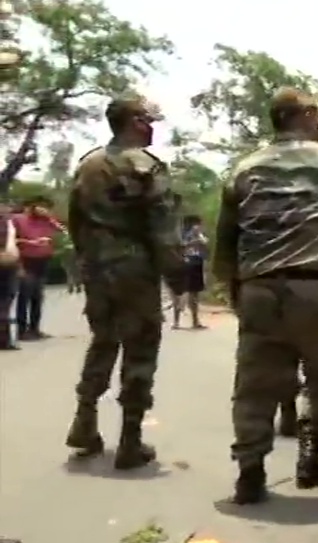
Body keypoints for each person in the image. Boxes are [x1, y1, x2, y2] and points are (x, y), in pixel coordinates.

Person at [213, 87, 318, 505]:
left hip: (259, 288)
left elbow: (226, 240)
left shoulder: (244, 168)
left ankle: (250, 472)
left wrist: (237, 292)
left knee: (255, 385)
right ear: (308, 116)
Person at [64, 96, 183, 470]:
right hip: (134, 269)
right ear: (133, 122)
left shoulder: (88, 164)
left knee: (102, 342)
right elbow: (162, 227)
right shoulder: (147, 167)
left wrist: (85, 262)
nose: (152, 127)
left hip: (98, 267)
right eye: (147, 120)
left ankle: (85, 421)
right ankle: (130, 440)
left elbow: (76, 220)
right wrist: (176, 272)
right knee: (141, 348)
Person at [12, 195, 62, 340]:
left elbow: (64, 231)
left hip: (43, 261)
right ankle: (22, 330)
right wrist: (31, 242)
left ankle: (35, 328)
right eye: (40, 206)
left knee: (38, 296)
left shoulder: (46, 221)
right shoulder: (17, 220)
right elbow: (10, 239)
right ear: (31, 206)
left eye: (45, 207)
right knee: (25, 295)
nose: (43, 209)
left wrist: (51, 219)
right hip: (26, 260)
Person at [171, 214, 208, 330]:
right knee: (186, 293)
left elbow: (205, 244)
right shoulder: (182, 235)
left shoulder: (193, 234)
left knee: (191, 293)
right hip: (189, 264)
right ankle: (183, 321)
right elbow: (179, 247)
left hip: (195, 263)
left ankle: (191, 321)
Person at [0, 201, 21, 350]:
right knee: (5, 303)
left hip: (10, 264)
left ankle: (5, 339)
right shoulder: (7, 225)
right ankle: (4, 340)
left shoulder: (10, 224)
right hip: (6, 264)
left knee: (6, 303)